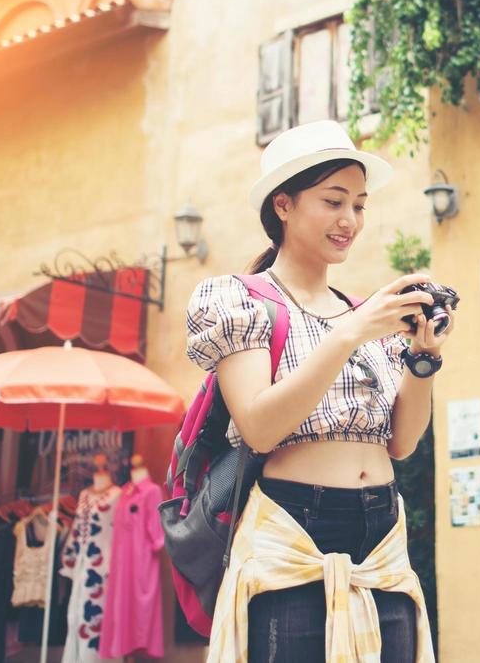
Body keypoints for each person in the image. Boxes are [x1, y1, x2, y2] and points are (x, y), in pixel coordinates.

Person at [186, 120, 448, 662]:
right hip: (292, 528)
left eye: (359, 205)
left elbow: (400, 443)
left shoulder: (359, 312)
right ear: (283, 205)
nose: (349, 220)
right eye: (333, 201)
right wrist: (350, 332)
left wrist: (422, 361)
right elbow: (259, 427)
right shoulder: (241, 300)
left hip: (382, 534)